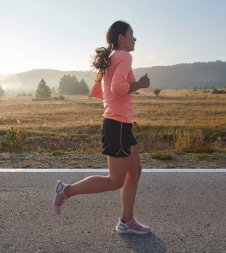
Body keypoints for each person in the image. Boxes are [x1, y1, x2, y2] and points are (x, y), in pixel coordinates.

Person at [52, 20, 151, 234]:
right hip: (117, 125)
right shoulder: (124, 56)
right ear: (121, 38)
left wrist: (118, 106)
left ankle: (127, 221)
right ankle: (65, 191)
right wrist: (139, 85)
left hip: (120, 123)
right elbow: (117, 88)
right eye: (131, 34)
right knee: (115, 180)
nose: (135, 38)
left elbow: (97, 92)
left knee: (135, 170)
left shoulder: (110, 59)